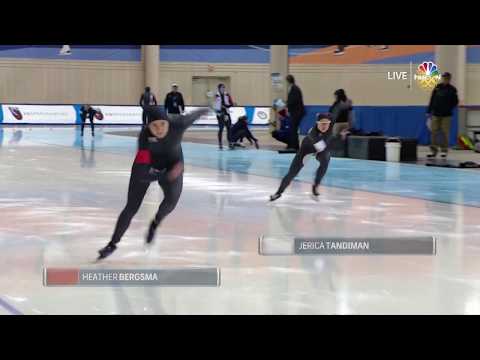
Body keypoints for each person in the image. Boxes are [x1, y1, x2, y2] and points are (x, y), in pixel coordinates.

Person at [97, 106, 210, 260]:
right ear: (148, 126)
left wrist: (207, 108)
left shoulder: (178, 123)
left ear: (168, 122)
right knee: (131, 208)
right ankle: (112, 244)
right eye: (154, 125)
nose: (159, 129)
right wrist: (162, 175)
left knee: (171, 202)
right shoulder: (144, 137)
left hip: (173, 166)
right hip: (149, 169)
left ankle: (155, 223)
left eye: (162, 124)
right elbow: (141, 173)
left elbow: (194, 115)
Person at [270, 113, 333, 201]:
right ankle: (278, 193)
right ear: (317, 123)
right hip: (306, 149)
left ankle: (315, 187)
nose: (324, 126)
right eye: (322, 123)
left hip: (320, 149)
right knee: (292, 173)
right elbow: (321, 147)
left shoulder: (330, 128)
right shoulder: (312, 133)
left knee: (325, 161)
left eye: (326, 124)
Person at [426, 72, 459, 159]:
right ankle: (433, 151)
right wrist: (429, 111)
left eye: (447, 78)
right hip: (436, 114)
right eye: (444, 78)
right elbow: (432, 99)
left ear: (449, 79)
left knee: (445, 133)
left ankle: (444, 151)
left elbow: (455, 102)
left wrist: (449, 108)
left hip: (446, 115)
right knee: (433, 132)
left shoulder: (452, 89)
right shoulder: (437, 87)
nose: (445, 79)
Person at [285, 74, 305, 150]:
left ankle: (294, 146)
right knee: (293, 129)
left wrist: (286, 104)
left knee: (293, 129)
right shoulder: (294, 88)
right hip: (296, 112)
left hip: (297, 113)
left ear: (288, 81)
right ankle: (294, 145)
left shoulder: (294, 89)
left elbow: (293, 101)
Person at [214, 83, 235, 149]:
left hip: (226, 113)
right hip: (220, 114)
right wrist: (218, 111)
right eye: (221, 88)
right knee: (221, 129)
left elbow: (231, 103)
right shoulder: (216, 95)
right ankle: (220, 143)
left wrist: (227, 106)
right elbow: (214, 105)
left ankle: (230, 142)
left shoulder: (227, 95)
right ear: (219, 89)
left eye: (224, 88)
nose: (223, 89)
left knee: (229, 128)